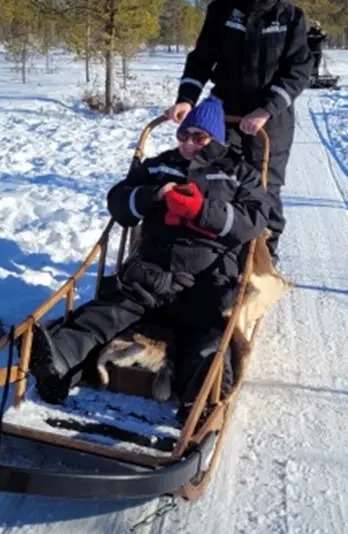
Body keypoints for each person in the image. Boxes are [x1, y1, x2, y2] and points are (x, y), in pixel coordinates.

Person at [29, 97, 270, 414]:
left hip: (207, 279)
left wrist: (202, 211)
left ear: (217, 139)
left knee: (208, 338)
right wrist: (152, 195)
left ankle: (199, 399)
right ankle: (59, 361)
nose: (188, 144)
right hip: (152, 271)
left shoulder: (238, 174)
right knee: (106, 311)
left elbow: (254, 220)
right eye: (183, 135)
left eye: (199, 137)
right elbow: (118, 203)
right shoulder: (158, 165)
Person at [164, 0, 312, 262]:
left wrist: (266, 109)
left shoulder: (291, 17)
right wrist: (186, 99)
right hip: (224, 110)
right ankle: (214, 245)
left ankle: (261, 258)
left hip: (270, 117)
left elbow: (298, 72)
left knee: (264, 183)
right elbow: (202, 59)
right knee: (215, 172)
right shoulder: (222, 10)